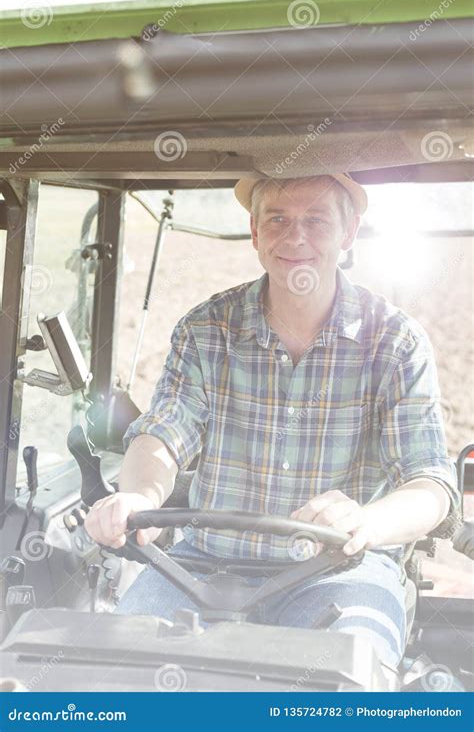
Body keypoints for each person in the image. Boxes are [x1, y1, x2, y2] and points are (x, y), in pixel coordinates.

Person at [85, 173, 460, 669]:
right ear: (255, 232)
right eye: (278, 219)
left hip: (340, 571)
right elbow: (162, 434)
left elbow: (431, 482)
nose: (295, 237)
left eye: (317, 220)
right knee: (114, 678)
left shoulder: (394, 342)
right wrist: (139, 496)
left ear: (348, 233)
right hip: (199, 569)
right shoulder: (206, 329)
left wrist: (364, 522)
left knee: (344, 684)